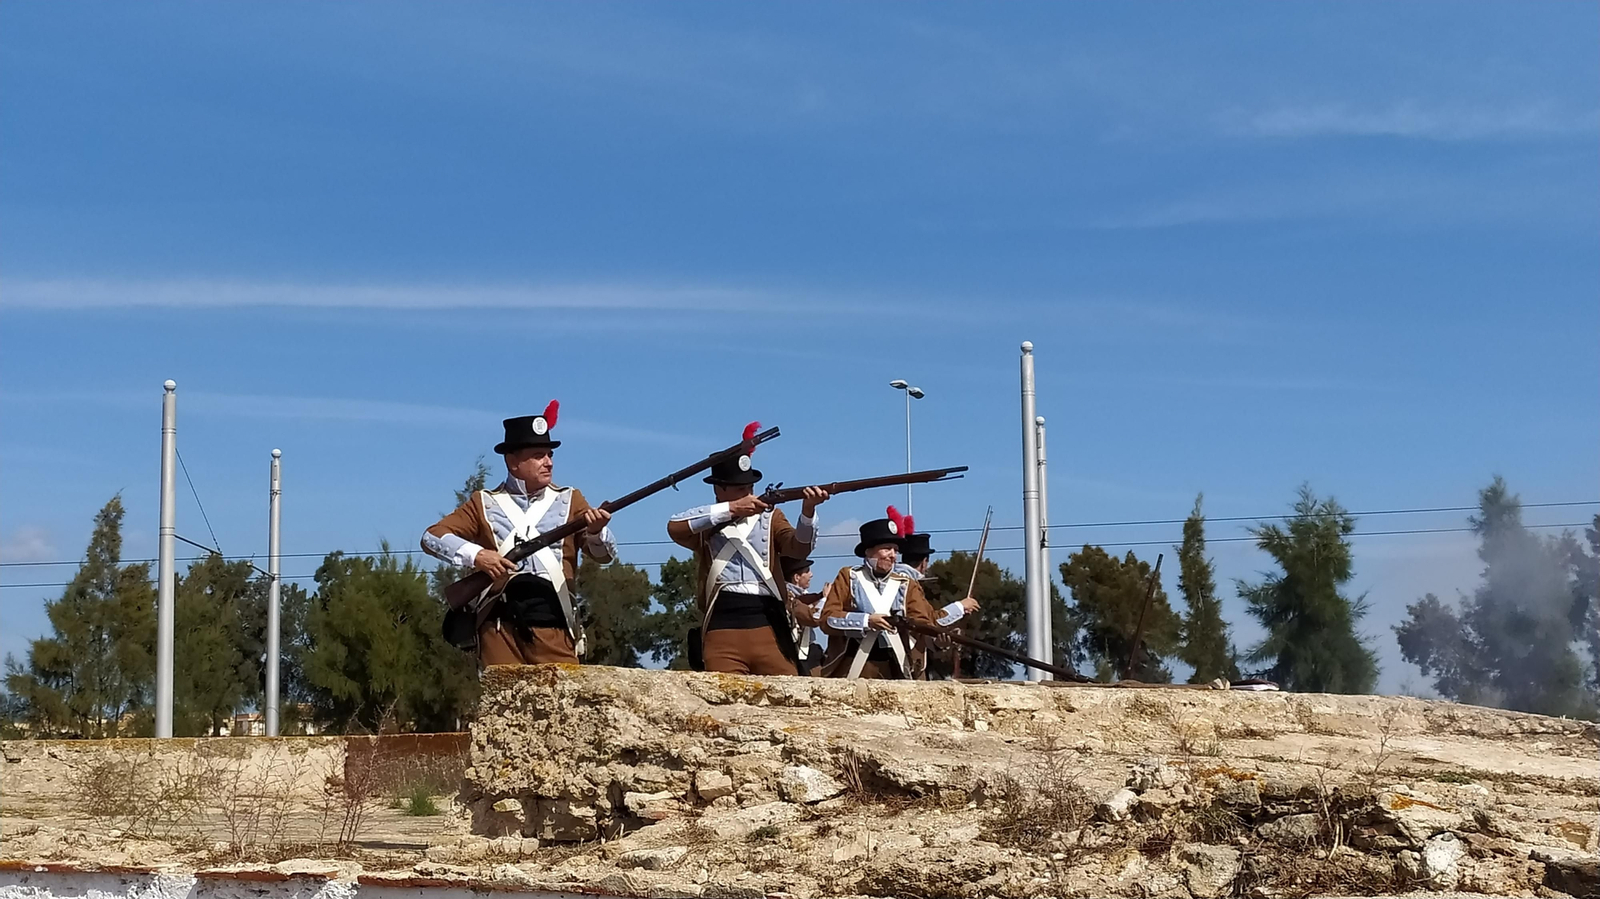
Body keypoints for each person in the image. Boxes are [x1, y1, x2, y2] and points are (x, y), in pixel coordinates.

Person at [421, 402, 615, 666]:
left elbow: (604, 556)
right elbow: (432, 537)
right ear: (513, 462)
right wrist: (478, 556)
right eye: (538, 455)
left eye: (549, 455)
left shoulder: (571, 500)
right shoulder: (483, 502)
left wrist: (596, 531)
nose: (548, 462)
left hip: (554, 624)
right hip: (498, 628)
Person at [667, 422, 829, 675]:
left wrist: (808, 512)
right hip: (722, 626)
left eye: (750, 488)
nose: (748, 494)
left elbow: (799, 548)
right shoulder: (708, 522)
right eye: (740, 489)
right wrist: (731, 510)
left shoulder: (771, 518)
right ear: (719, 489)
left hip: (769, 623)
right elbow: (675, 527)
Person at [818, 516, 977, 679]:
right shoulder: (849, 577)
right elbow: (828, 619)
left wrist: (937, 642)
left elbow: (922, 624)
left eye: (895, 550)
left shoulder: (906, 584)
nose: (892, 555)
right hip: (853, 666)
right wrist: (867, 621)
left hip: (896, 666)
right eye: (887, 548)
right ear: (868, 550)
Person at [782, 556, 826, 673]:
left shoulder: (801, 596)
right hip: (798, 653)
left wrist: (820, 597)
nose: (811, 575)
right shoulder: (787, 596)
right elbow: (813, 618)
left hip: (805, 652)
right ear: (797, 577)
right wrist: (825, 598)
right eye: (807, 571)